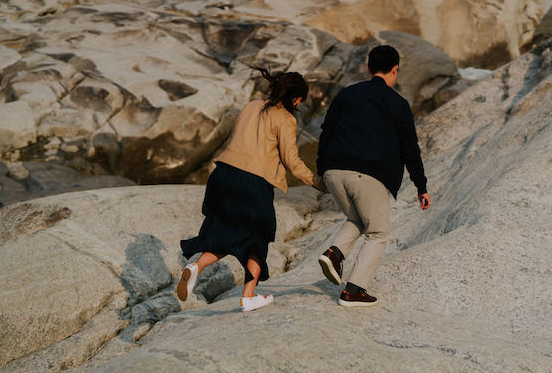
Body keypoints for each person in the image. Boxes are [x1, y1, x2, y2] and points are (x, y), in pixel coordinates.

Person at [176, 67, 323, 312]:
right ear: (295, 97)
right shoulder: (286, 118)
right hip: (252, 183)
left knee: (223, 232)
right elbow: (292, 161)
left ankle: (195, 268)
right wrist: (318, 183)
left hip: (222, 175)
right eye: (300, 99)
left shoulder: (252, 105)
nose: (299, 103)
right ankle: (249, 296)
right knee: (257, 239)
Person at [316, 44, 430, 307]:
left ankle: (333, 254)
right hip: (368, 176)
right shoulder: (397, 104)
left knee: (358, 218)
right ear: (395, 70)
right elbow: (410, 149)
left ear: (368, 68)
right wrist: (421, 186)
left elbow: (326, 132)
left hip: (334, 172)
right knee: (378, 232)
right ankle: (353, 291)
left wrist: (322, 169)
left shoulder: (346, 94)